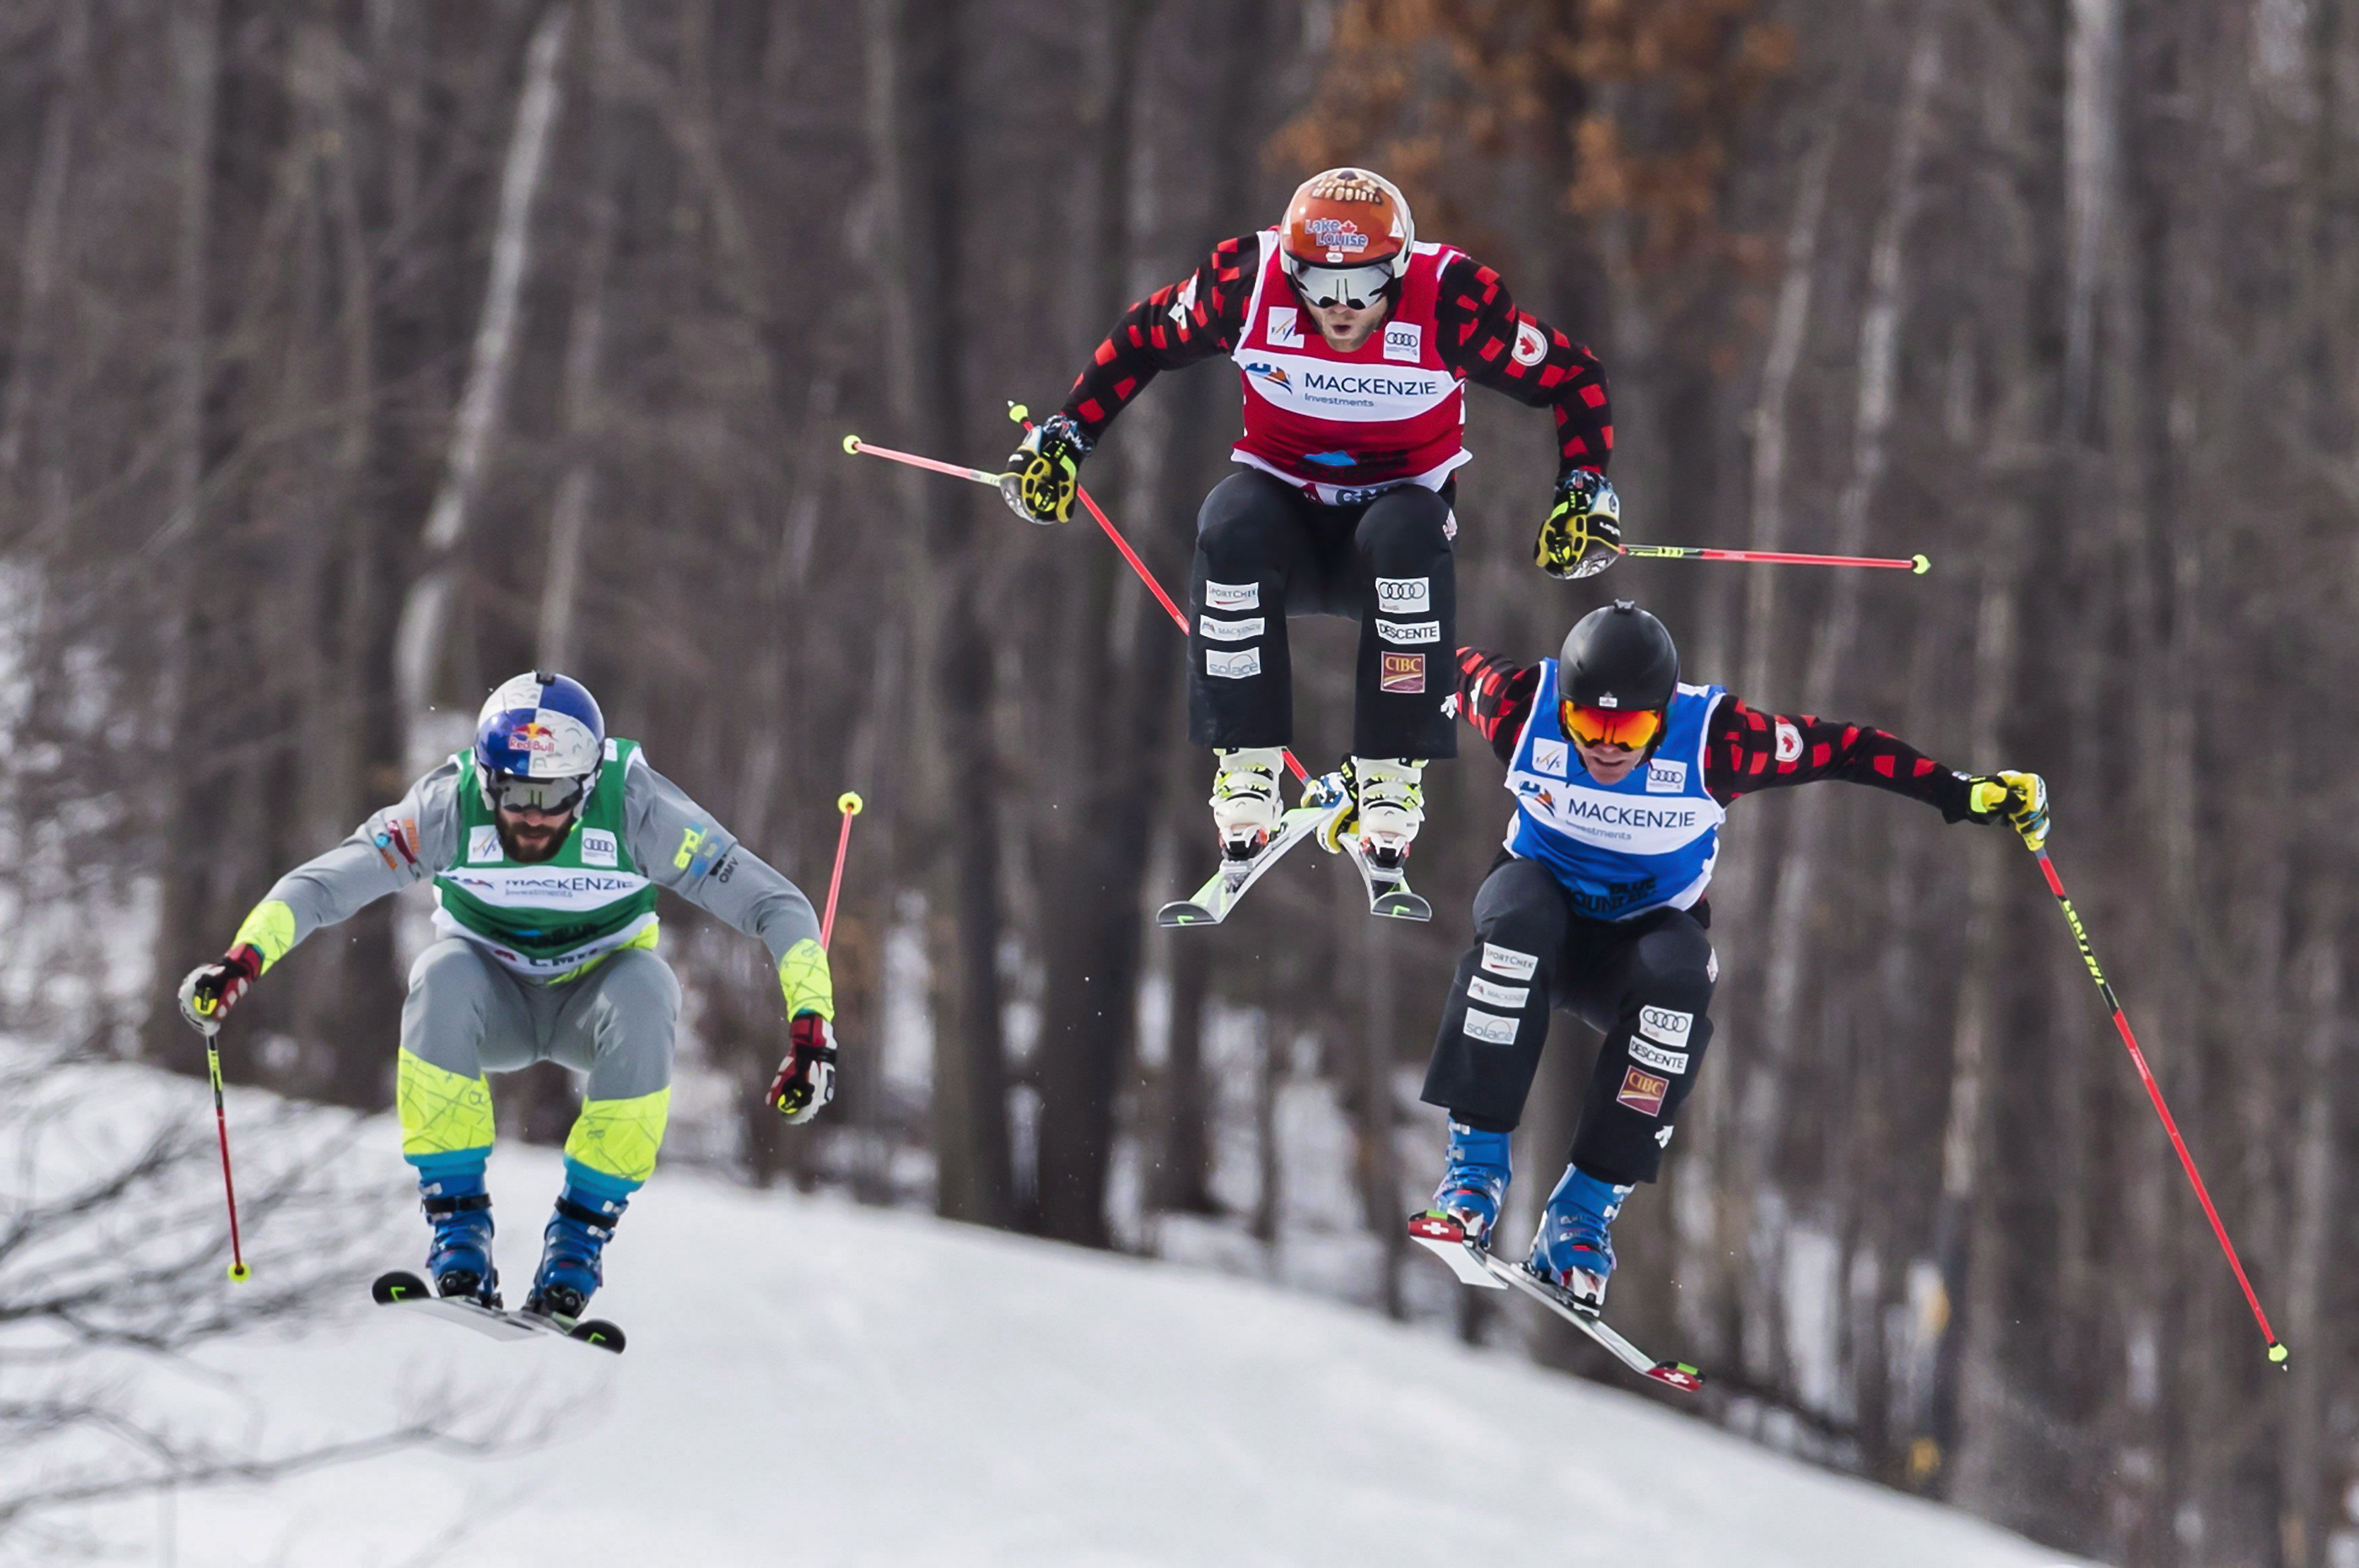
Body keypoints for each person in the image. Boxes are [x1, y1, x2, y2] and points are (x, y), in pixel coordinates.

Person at [1417, 601, 2048, 1311]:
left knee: (1682, 978)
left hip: (1632, 946)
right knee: (1517, 918)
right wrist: (1370, 786)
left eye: (1628, 727)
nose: (1606, 746)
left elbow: (1840, 747)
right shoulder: (1518, 704)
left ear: (1662, 714)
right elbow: (1415, 653)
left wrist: (1959, 791)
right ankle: (1472, 1175)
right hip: (1539, 922)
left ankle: (1578, 1219)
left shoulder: (1720, 741)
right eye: (1589, 722)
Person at [1002, 167, 1622, 872]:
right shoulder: (1246, 285)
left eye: (1362, 287)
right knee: (1226, 520)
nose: (1338, 307)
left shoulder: (1450, 304)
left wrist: (1582, 488)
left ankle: (1391, 769)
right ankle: (1247, 758)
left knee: (1405, 534)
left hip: (1391, 523)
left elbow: (1573, 373)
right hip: (1281, 516)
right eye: (1316, 284)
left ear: (1399, 267)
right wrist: (1064, 439)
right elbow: (1144, 335)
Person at [175, 672, 838, 1320]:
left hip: (595, 1004)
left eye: (551, 797)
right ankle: (459, 1230)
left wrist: (812, 1023)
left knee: (649, 986)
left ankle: (578, 1240)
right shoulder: (448, 806)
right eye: (511, 792)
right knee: (439, 974)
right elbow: (323, 885)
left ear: (585, 787)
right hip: (491, 1003)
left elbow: (775, 903)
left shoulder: (638, 809)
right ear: (485, 777)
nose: (529, 814)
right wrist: (242, 959)